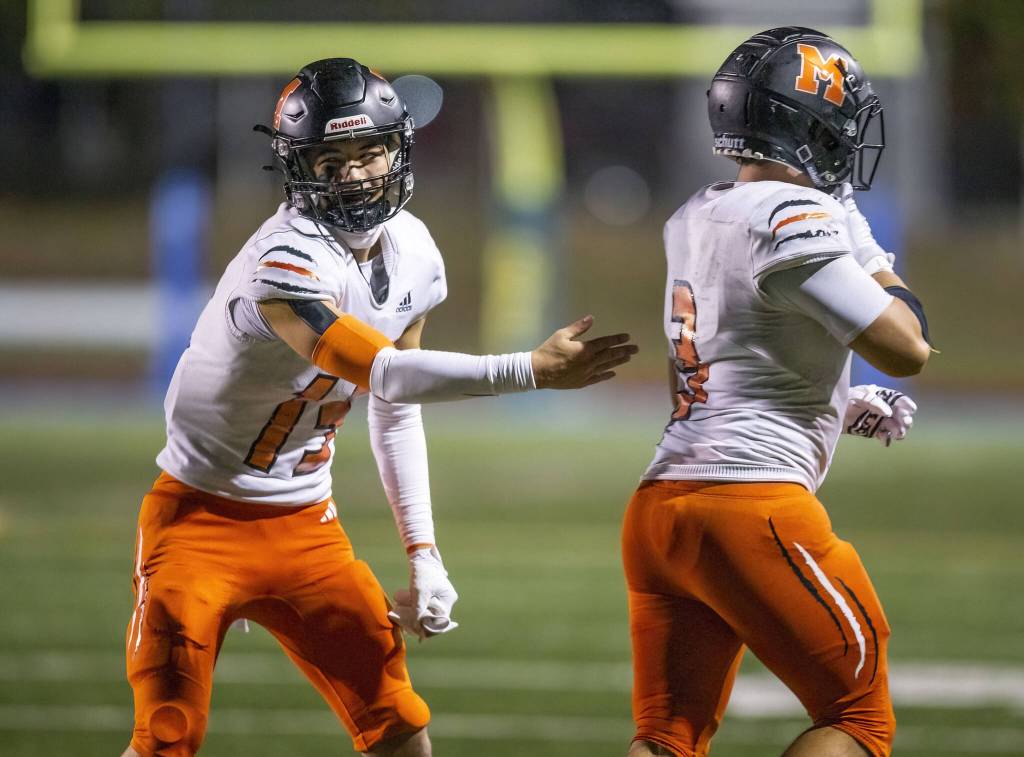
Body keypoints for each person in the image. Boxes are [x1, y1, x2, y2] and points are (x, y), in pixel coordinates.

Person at [121, 58, 636, 757]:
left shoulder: (414, 248)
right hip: (199, 519)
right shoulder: (284, 260)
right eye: (333, 160)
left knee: (398, 722)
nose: (358, 174)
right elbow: (385, 373)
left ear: (399, 149)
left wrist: (424, 553)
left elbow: (392, 411)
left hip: (306, 523)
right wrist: (528, 370)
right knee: (167, 737)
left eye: (371, 153)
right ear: (299, 166)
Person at [622, 27, 930, 757]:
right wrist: (866, 244)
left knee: (667, 737)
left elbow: (702, 369)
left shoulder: (694, 213)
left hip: (662, 507)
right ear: (811, 127)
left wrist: (827, 398)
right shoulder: (800, 218)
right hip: (750, 505)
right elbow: (906, 346)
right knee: (859, 720)